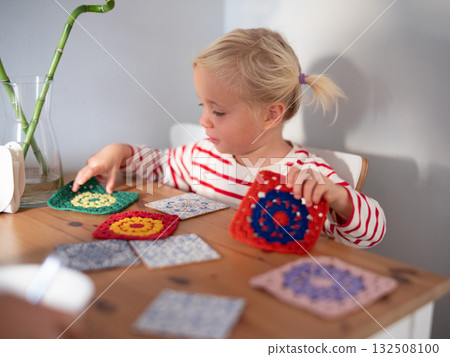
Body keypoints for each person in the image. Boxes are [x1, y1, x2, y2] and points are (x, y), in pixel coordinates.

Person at [73, 28, 385, 248]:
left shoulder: (308, 177)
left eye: (218, 112)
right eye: (202, 105)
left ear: (271, 115)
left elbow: (372, 233)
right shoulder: (203, 156)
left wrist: (340, 199)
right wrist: (120, 152)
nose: (203, 120)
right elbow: (158, 164)